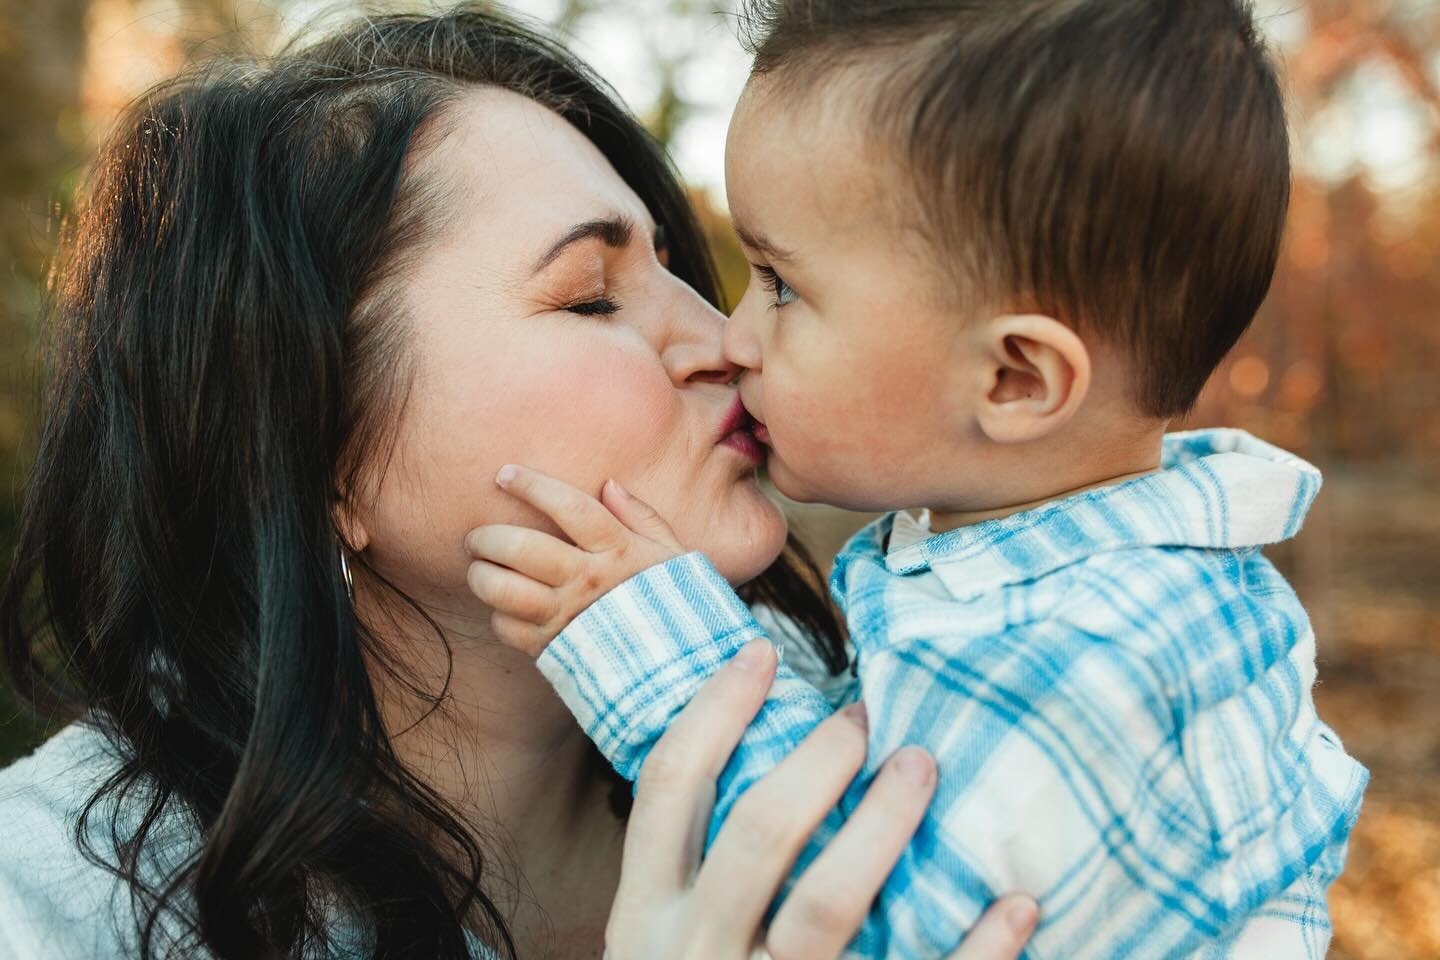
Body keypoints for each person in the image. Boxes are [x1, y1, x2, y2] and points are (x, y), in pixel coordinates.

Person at [0, 8, 1039, 960]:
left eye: (679, 272)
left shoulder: (895, 713)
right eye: (591, 297)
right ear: (319, 453)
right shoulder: (56, 901)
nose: (725, 339)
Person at [463, 1, 1371, 957]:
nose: (732, 337)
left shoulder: (1090, 651)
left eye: (781, 285)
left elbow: (862, 921)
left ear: (1016, 379)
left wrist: (663, 660)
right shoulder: (1105, 588)